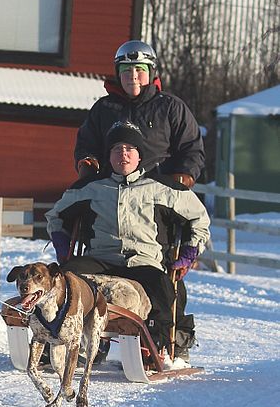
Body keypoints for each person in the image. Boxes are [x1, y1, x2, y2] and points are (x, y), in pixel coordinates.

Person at [47, 121, 211, 367]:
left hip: (142, 261)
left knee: (162, 288)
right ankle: (64, 341)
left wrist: (189, 252)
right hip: (100, 259)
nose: (123, 154)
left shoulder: (164, 189)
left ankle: (156, 348)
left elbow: (199, 217)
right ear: (108, 155)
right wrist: (61, 246)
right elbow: (55, 216)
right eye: (116, 149)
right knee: (67, 279)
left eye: (129, 149)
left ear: (139, 155)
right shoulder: (90, 189)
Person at [74, 40, 205, 189]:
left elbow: (192, 148)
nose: (133, 76)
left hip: (160, 194)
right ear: (118, 74)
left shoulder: (171, 107)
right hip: (110, 193)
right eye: (126, 70)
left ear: (151, 72)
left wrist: (183, 177)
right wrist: (87, 166)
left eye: (139, 69)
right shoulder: (103, 109)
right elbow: (86, 145)